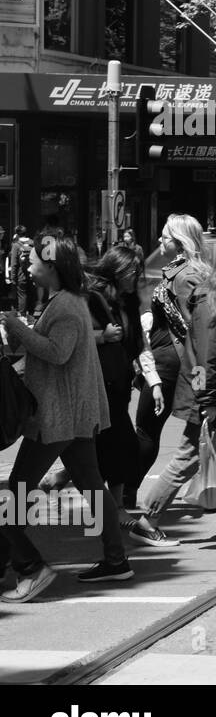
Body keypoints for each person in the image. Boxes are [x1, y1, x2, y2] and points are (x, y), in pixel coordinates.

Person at [0, 233, 125, 602]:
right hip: (71, 414)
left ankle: (29, 567)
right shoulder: (65, 301)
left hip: (59, 416)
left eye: (35, 262)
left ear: (52, 267)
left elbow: (57, 353)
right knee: (90, 484)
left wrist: (17, 327)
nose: (28, 266)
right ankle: (116, 559)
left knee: (18, 491)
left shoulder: (67, 306)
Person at [136, 237, 216, 530]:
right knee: (190, 458)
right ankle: (148, 518)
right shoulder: (211, 302)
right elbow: (206, 360)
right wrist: (208, 404)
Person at [130, 214, 212, 546]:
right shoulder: (183, 274)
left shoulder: (185, 276)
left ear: (181, 242)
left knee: (182, 442)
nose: (160, 242)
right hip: (184, 368)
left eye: (166, 237)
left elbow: (197, 328)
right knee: (187, 446)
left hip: (186, 367)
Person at [84, 245, 148, 533]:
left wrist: (141, 370)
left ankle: (111, 507)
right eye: (131, 270)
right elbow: (77, 335)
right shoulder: (93, 298)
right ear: (117, 270)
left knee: (115, 445)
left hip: (119, 384)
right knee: (116, 444)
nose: (136, 276)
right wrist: (103, 336)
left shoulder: (130, 301)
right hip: (98, 382)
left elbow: (135, 341)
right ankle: (115, 509)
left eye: (137, 270)